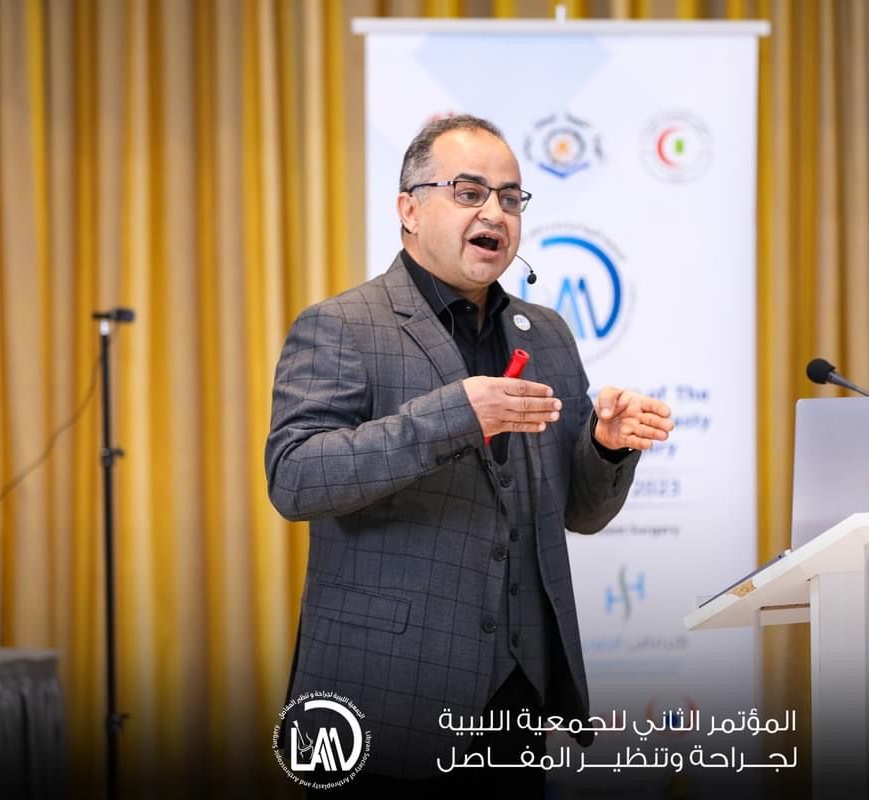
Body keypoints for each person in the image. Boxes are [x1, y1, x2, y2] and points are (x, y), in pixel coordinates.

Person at [265, 114, 673, 794]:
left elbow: (579, 512)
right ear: (409, 209)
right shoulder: (342, 325)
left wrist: (605, 448)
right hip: (382, 695)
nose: (494, 213)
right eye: (469, 192)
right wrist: (455, 415)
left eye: (510, 198)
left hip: (517, 698)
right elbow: (296, 476)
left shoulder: (546, 333)